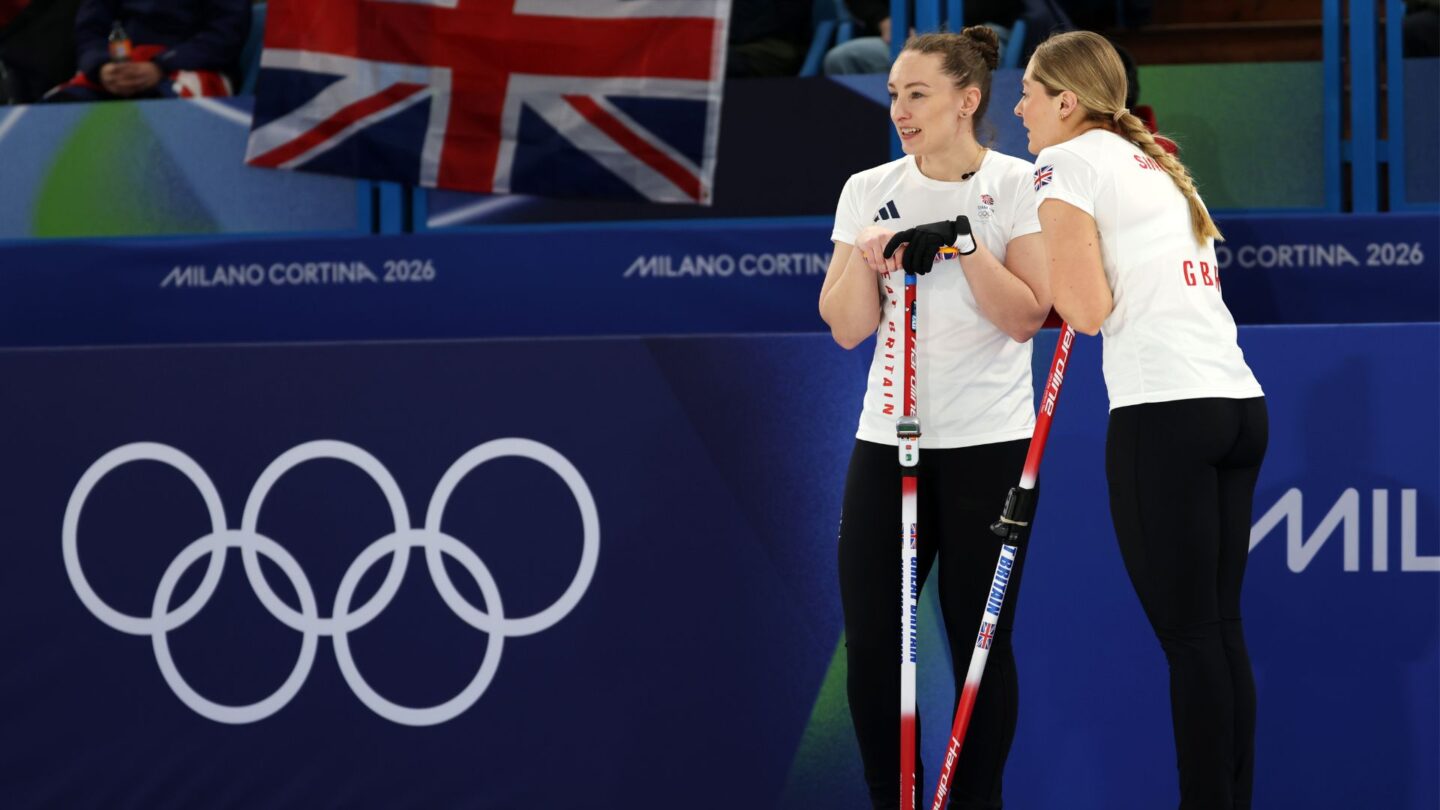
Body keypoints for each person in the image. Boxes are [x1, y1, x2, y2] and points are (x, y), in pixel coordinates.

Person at [1013, 30, 1266, 809]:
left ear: (1067, 100)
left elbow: (1086, 312)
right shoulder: (1150, 157)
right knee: (1218, 630)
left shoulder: (1064, 162)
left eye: (1027, 90)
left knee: (1190, 640)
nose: (1017, 107)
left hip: (1165, 412)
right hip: (1236, 406)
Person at [818, 26, 1050, 810]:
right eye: (894, 95)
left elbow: (1026, 316)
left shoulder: (1018, 184)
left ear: (967, 100)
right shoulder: (867, 185)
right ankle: (895, 798)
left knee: (979, 645)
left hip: (989, 444)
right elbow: (846, 323)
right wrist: (868, 253)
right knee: (876, 642)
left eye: (917, 94)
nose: (900, 110)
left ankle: (977, 800)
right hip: (888, 442)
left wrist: (958, 243)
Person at [43, 0, 249, 102]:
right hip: (118, 69)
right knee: (52, 110)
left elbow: (226, 35)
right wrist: (101, 67)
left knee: (166, 107)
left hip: (194, 67)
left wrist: (160, 66)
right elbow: (89, 30)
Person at [823, 0, 1021, 76]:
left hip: (974, 32)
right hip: (908, 35)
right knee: (843, 59)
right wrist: (884, 19)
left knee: (971, 60)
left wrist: (942, 35)